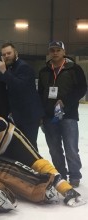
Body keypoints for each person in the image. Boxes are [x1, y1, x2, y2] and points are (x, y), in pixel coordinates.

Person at [38, 41, 87, 187]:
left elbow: (81, 89)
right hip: (49, 117)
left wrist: (65, 101)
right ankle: (61, 173)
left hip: (68, 115)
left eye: (58, 50)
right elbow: (40, 93)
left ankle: (75, 175)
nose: (55, 52)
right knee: (54, 148)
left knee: (71, 147)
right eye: (52, 50)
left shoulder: (74, 69)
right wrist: (41, 114)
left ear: (63, 52)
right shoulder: (44, 71)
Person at [0, 42, 44, 150]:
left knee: (30, 146)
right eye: (4, 54)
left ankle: (36, 167)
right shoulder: (11, 68)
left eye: (9, 53)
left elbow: (20, 86)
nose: (6, 56)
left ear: (16, 53)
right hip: (19, 116)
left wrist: (4, 72)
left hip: (29, 116)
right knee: (22, 146)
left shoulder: (24, 67)